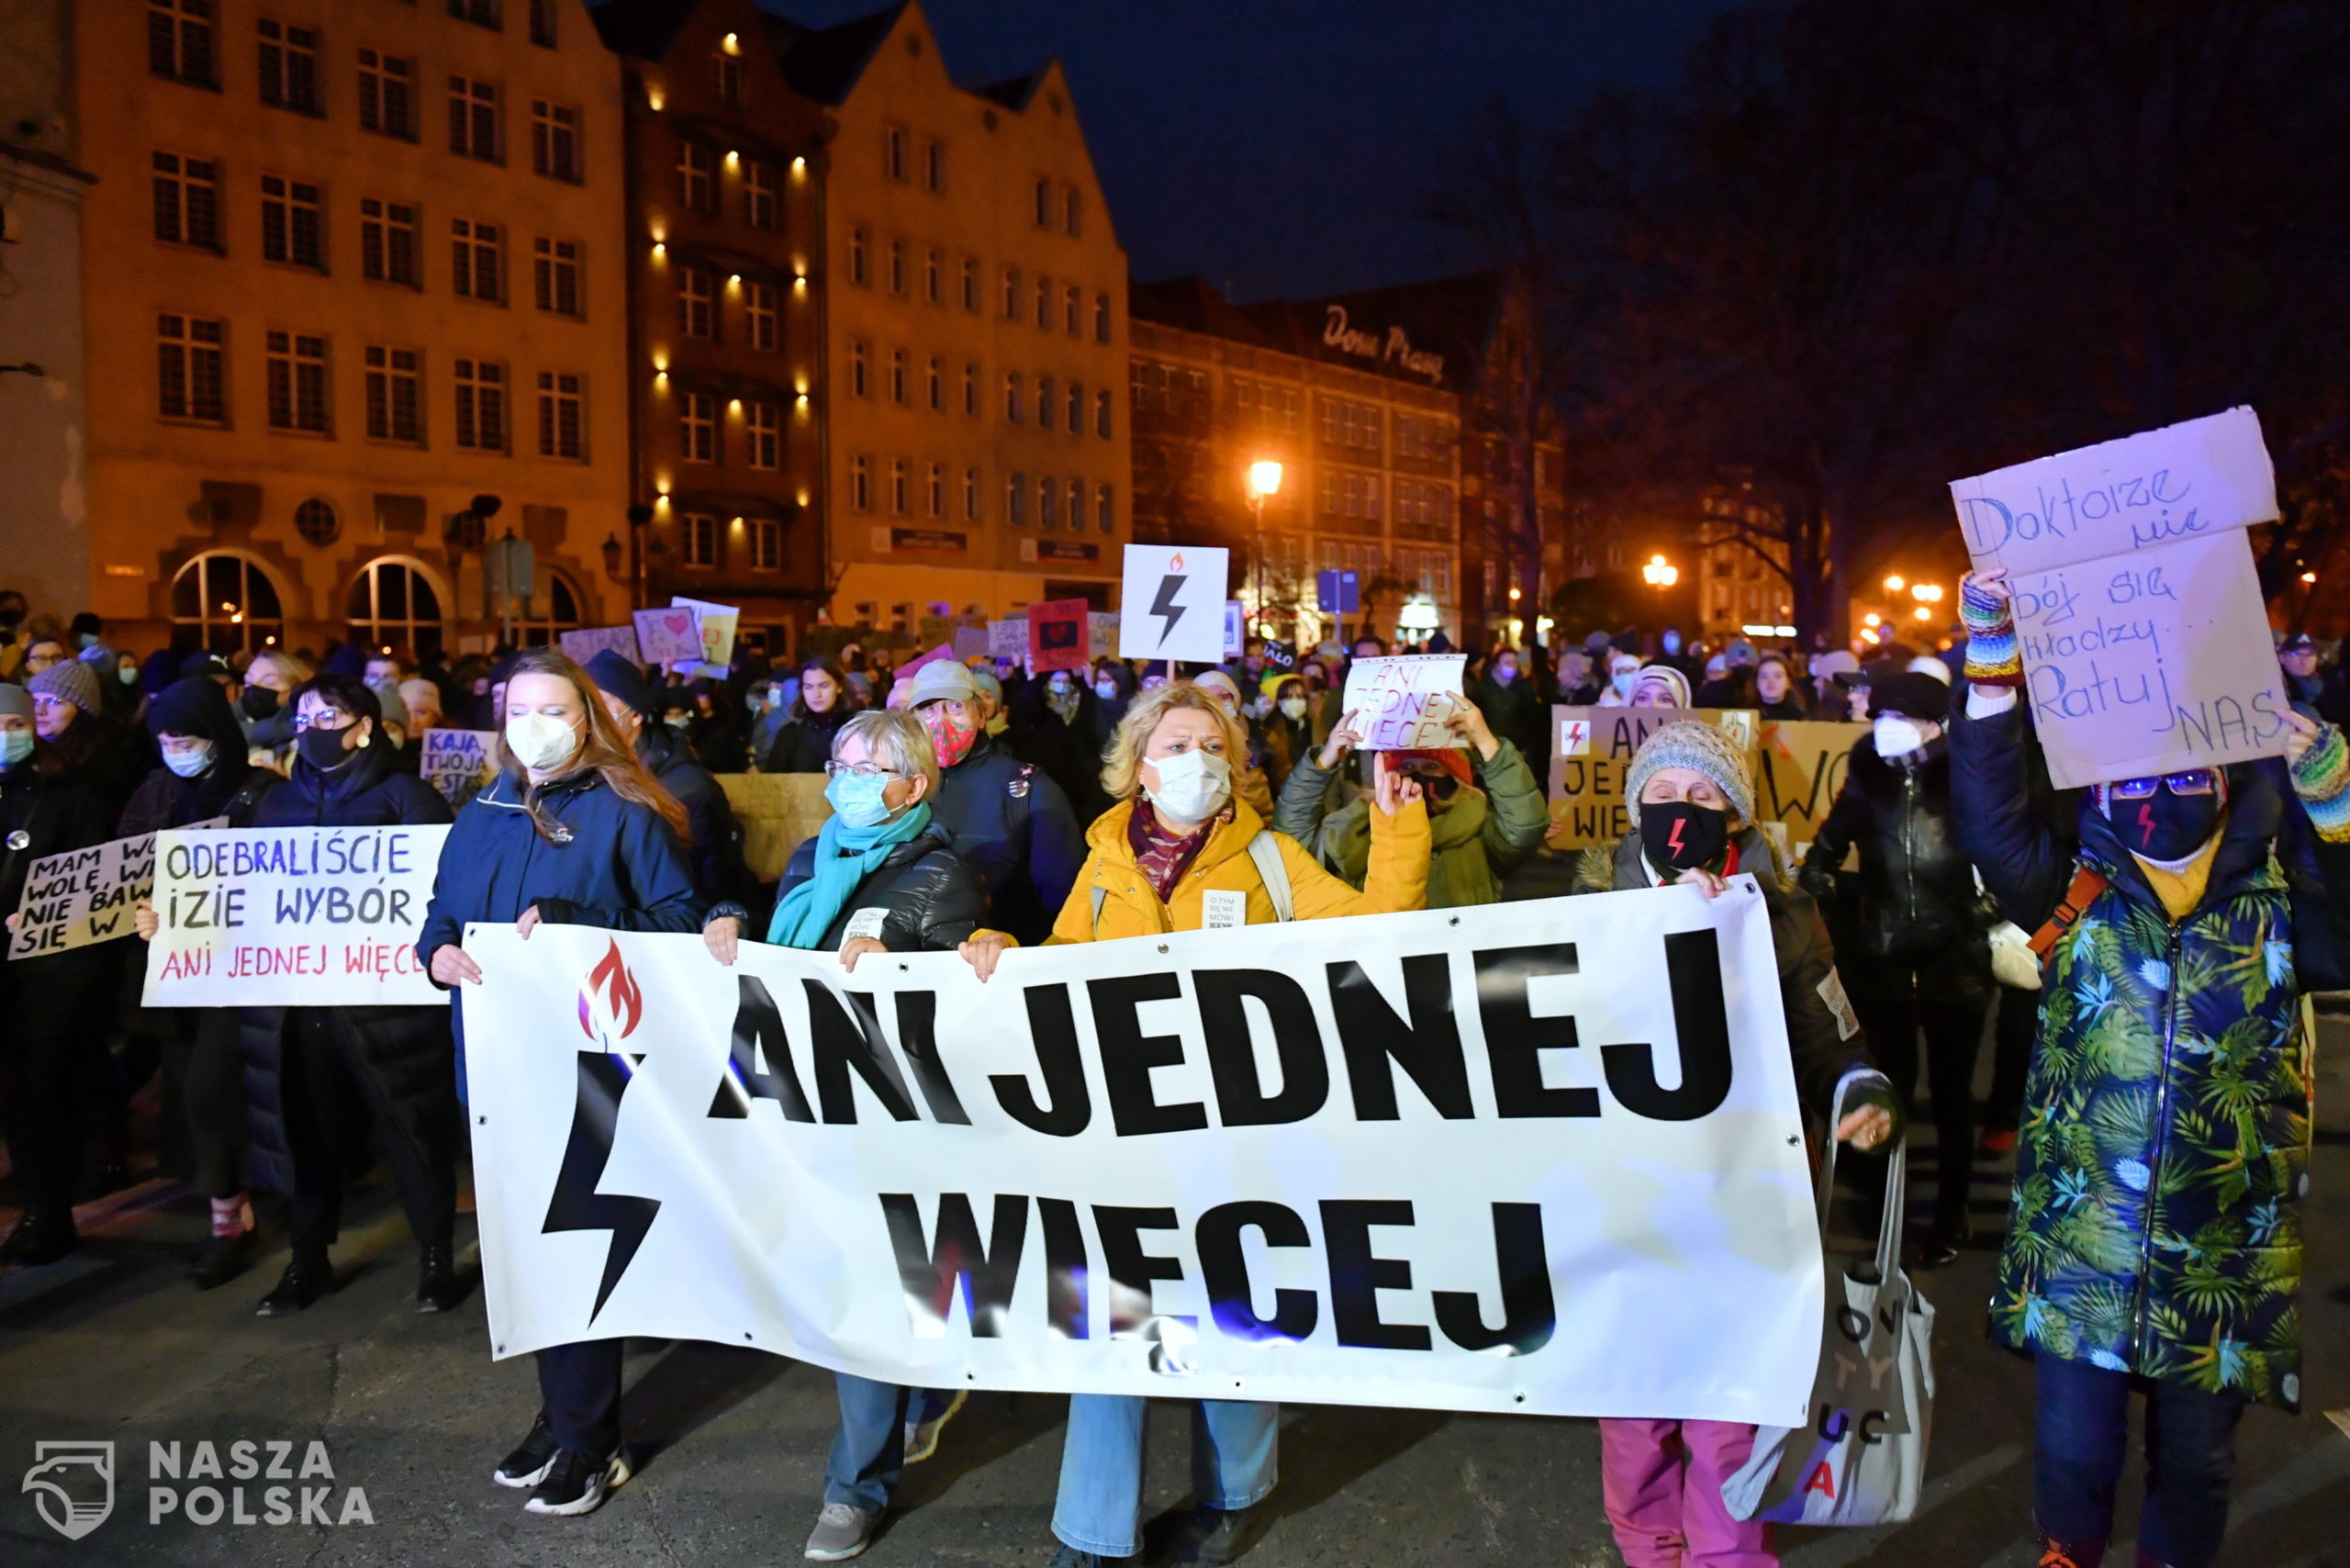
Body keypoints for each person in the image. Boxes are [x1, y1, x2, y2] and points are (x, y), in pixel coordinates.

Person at [956, 680, 1428, 1568]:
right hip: (1126, 1135)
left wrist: (1399, 827)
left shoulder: (1275, 860)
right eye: (1175, 745)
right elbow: (1064, 964)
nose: (1195, 761)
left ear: (1236, 766)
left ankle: (1233, 1498)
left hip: (1238, 1137)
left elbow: (1378, 930)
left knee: (1231, 1315)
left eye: (1212, 745)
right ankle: (1091, 1535)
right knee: (1113, 1322)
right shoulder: (1104, 864)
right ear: (1138, 765)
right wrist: (1004, 955)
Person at [1953, 567, 2350, 1568]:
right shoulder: (2074, 886)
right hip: (2084, 1232)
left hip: (2222, 1241)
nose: (2158, 796)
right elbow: (1992, 812)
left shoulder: (2276, 897)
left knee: (2199, 1461)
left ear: (2226, 781)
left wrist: (2337, 806)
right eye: (2133, 779)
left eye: (2185, 776)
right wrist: (1993, 661)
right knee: (2075, 1449)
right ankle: (2068, 1551)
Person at [1572, 720, 1897, 1568]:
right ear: (1636, 805)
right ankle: (1649, 1545)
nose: (1684, 808)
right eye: (1667, 793)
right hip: (1625, 1193)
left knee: (1731, 1394)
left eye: (1705, 795)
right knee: (1637, 1396)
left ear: (1738, 819)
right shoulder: (1582, 910)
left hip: (1746, 1192)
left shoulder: (1780, 912)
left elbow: (1830, 1031)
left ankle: (1728, 1553)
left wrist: (1856, 1090)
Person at [701, 710, 996, 1562]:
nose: (852, 777)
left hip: (890, 1121)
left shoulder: (941, 876)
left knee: (869, 1291)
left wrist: (966, 954)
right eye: (843, 761)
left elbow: (963, 1014)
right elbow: (774, 939)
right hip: (809, 1110)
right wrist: (730, 918)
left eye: (874, 767)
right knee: (855, 1283)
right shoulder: (814, 853)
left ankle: (854, 1489)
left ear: (915, 785)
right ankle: (919, 1396)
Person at [416, 649, 704, 1518]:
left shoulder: (628, 812)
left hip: (590, 1066)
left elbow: (682, 922)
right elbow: (437, 917)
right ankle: (563, 1414)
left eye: (551, 708)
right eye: (516, 708)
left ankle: (593, 1440)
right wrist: (435, 955)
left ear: (589, 720)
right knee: (529, 1252)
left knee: (579, 1248)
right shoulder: (483, 811)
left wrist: (585, 921)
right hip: (495, 1064)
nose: (531, 724)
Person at [215, 675, 462, 1315]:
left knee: (412, 1134)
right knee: (303, 1134)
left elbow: (442, 892)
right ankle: (307, 1260)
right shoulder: (271, 805)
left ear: (366, 726)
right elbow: (236, 898)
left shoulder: (408, 798)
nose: (314, 724)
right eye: (305, 714)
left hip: (387, 1010)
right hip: (295, 1008)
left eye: (331, 714)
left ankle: (436, 1259)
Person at [1797, 669, 1988, 1264]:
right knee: (1889, 1088)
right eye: (1880, 717)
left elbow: (2005, 854)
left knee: (1954, 1097)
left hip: (1954, 959)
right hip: (1882, 958)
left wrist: (1984, 912)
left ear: (1936, 726)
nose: (1885, 729)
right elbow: (1826, 850)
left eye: (1900, 719)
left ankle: (1951, 1215)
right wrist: (1827, 898)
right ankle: (1887, 1212)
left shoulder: (1969, 778)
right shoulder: (1866, 776)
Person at [121, 677, 281, 1287]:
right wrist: (138, 913)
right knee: (196, 1093)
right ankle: (230, 1208)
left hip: (242, 974)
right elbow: (122, 874)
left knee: (211, 1094)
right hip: (177, 976)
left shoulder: (262, 794)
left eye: (185, 738)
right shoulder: (152, 795)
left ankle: (229, 1218)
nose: (175, 749)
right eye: (164, 739)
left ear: (215, 734)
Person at [0, 684, 123, 1264]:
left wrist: (44, 913)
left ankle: (49, 1209)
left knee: (42, 1093)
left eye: (13, 723)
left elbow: (92, 885)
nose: (6, 736)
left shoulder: (72, 796)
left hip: (49, 976)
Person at [1274, 694, 1545, 907]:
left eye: (1430, 768)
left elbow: (1525, 825)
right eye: (1406, 768)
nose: (1416, 776)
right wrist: (1324, 761)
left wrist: (1486, 742)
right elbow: (1292, 840)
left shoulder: (1478, 826)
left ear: (1454, 776)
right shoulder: (1356, 824)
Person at [906, 658, 1084, 946]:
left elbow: (1066, 904)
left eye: (954, 707)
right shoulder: (905, 790)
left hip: (1003, 965)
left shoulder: (1030, 791)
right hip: (922, 967)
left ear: (981, 714)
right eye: (928, 710)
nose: (941, 722)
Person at [584, 652, 755, 912]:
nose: (591, 716)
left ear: (635, 715)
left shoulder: (689, 789)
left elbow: (715, 887)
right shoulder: (580, 774)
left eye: (601, 704)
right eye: (583, 704)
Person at [1189, 669, 1275, 818]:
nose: (1218, 703)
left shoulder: (1253, 728)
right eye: (1209, 698)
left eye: (1224, 697)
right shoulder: (1185, 736)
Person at [765, 656, 852, 774]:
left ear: (839, 687)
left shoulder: (856, 731)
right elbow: (775, 783)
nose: (816, 694)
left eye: (823, 685)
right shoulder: (790, 734)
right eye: (808, 687)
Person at [1255, 672, 1316, 791]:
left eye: (1300, 697)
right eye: (1288, 697)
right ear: (1279, 701)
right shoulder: (1269, 731)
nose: (1294, 702)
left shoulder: (1313, 728)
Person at [1750, 654, 1808, 719]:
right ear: (1756, 683)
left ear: (1788, 682)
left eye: (1778, 676)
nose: (1771, 681)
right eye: (1764, 677)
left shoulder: (1799, 716)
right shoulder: (1745, 714)